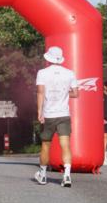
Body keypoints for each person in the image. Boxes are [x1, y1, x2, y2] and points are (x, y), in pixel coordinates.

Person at [34, 45, 79, 187]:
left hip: (49, 114)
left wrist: (39, 111)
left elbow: (40, 93)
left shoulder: (42, 73)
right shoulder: (70, 73)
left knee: (46, 145)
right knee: (65, 145)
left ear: (49, 58)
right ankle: (66, 175)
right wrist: (65, 93)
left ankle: (42, 174)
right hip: (64, 114)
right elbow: (76, 93)